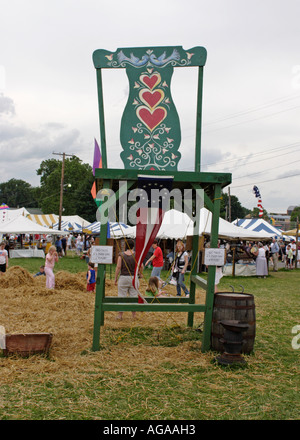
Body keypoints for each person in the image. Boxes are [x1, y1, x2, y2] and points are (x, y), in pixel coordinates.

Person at [114, 239, 140, 320]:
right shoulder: (136, 255)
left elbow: (118, 267)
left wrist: (115, 278)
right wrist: (140, 273)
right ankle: (134, 316)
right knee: (134, 296)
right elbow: (141, 266)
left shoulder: (121, 255)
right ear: (133, 246)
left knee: (121, 296)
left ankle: (120, 315)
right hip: (134, 278)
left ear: (125, 246)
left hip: (123, 277)